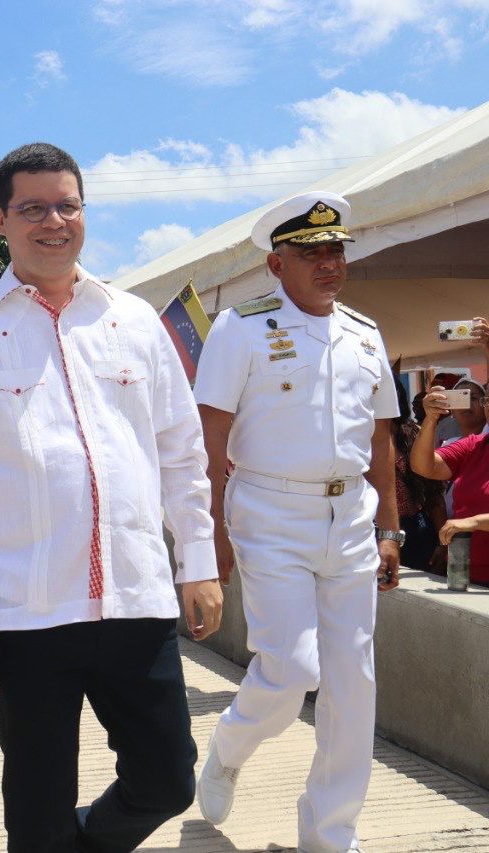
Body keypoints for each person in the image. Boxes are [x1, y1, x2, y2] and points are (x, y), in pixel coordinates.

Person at [0, 142, 222, 852]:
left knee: (169, 778)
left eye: (68, 205)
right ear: (1, 221)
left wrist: (197, 557)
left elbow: (181, 448)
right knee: (39, 810)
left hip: (135, 595)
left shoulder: (135, 322)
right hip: (28, 607)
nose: (55, 220)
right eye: (34, 208)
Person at [193, 191, 402, 852]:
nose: (328, 263)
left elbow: (383, 441)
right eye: (310, 253)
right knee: (291, 668)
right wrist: (210, 544)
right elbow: (210, 442)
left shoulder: (365, 333)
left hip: (351, 521)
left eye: (335, 250)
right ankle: (229, 745)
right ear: (277, 264)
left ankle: (331, 833)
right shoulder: (241, 327)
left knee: (352, 680)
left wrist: (391, 529)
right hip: (269, 512)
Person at [411, 379, 489, 587]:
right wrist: (430, 420)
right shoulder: (474, 445)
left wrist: (474, 522)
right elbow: (423, 466)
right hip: (464, 574)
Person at [391, 374, 447, 572]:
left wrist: (443, 544)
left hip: (415, 528)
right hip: (371, 528)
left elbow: (434, 492)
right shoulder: (359, 437)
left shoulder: (412, 433)